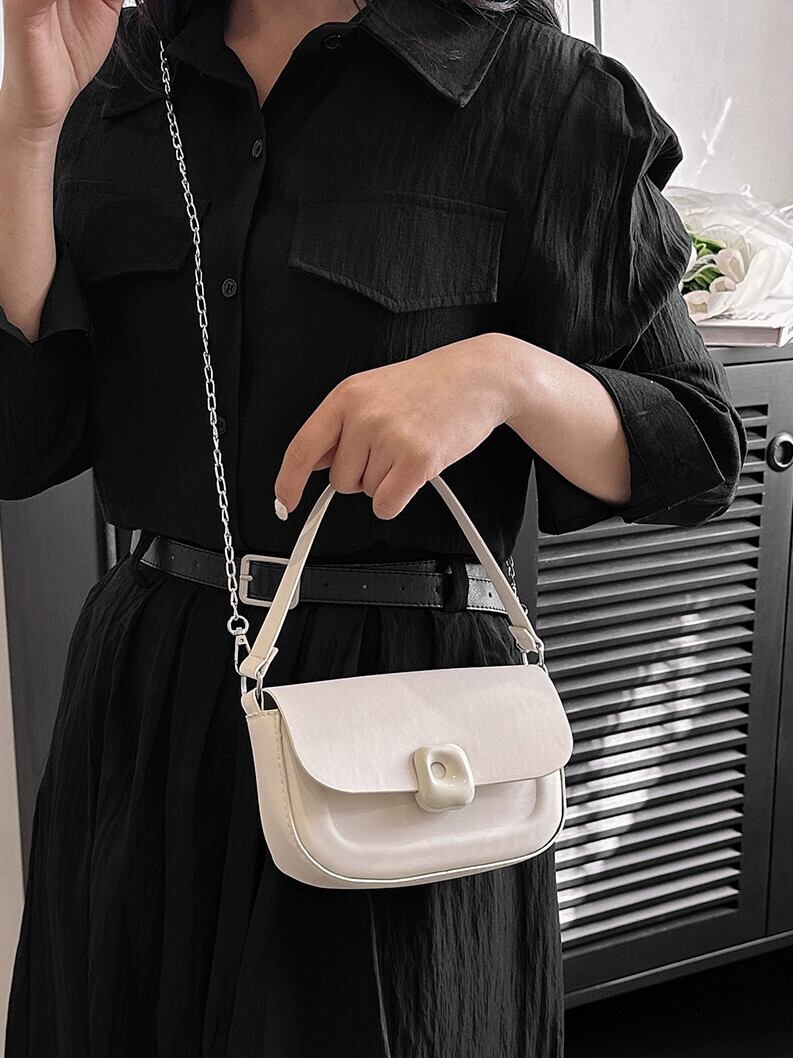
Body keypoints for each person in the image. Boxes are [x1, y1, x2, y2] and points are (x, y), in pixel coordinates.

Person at [0, 0, 747, 1053]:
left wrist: (504, 379)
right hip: (148, 718)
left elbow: (698, 449)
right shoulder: (113, 77)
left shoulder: (541, 96)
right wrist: (30, 133)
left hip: (402, 743)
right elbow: (23, 442)